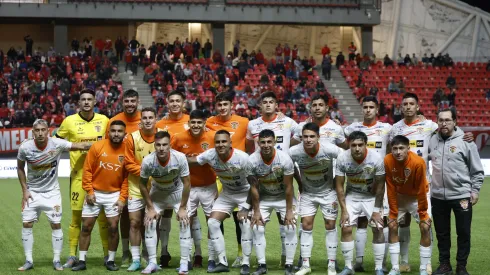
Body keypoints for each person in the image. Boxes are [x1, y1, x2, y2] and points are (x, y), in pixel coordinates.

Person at [16, 119, 92, 271]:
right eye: (37, 130)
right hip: (32, 192)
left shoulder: (56, 143)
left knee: (56, 224)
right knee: (27, 224)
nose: (40, 133)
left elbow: (81, 146)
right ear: (33, 132)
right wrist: (25, 190)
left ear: (48, 131)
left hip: (52, 193)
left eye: (43, 130)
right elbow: (19, 167)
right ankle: (29, 260)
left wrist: (105, 143)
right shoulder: (25, 147)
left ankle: (57, 260)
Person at [55, 89, 110, 268]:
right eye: (83, 99)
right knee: (76, 217)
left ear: (95, 102)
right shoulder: (69, 121)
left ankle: (106, 255)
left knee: (103, 218)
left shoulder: (104, 120)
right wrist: (76, 146)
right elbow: (55, 143)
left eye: (89, 99)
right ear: (78, 103)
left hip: (102, 176)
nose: (86, 102)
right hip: (78, 177)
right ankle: (72, 255)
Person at [187, 130, 254, 274]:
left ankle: (246, 263)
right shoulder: (210, 154)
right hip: (227, 194)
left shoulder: (243, 158)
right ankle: (222, 262)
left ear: (230, 143)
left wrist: (246, 208)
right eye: (217, 142)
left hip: (244, 193)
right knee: (212, 222)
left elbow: (254, 185)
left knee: (245, 223)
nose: (220, 144)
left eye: (224, 141)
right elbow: (193, 161)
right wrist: (172, 158)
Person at [429, 109, 484, 275]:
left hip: (461, 196)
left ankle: (461, 265)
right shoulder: (432, 140)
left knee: (464, 232)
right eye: (441, 120)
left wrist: (475, 190)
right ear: (437, 122)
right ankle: (445, 264)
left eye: (447, 120)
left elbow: (477, 170)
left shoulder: (466, 141)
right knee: (442, 233)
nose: (444, 123)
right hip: (438, 196)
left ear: (455, 122)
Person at [71, 121, 129, 271]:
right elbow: (87, 170)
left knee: (114, 228)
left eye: (119, 131)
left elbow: (126, 178)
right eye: (113, 131)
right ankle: (82, 261)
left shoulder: (128, 149)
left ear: (124, 133)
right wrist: (89, 191)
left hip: (114, 195)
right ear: (108, 132)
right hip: (95, 193)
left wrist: (122, 198)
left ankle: (110, 260)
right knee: (86, 227)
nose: (116, 134)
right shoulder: (97, 146)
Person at [343, 96, 393, 272]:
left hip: (378, 183)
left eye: (371, 107)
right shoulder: (352, 129)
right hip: (356, 185)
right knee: (360, 224)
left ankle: (383, 264)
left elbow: (400, 141)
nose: (368, 110)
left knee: (380, 223)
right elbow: (336, 136)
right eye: (365, 107)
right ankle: (358, 261)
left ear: (377, 109)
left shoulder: (387, 128)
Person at [290, 122, 343, 275]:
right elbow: (287, 165)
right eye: (305, 136)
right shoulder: (294, 151)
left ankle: (331, 264)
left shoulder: (329, 149)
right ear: (301, 137)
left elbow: (346, 158)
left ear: (318, 137)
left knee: (330, 225)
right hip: (308, 193)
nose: (308, 139)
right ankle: (305, 265)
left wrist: (337, 179)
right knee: (306, 225)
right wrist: (299, 182)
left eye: (312, 136)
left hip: (328, 193)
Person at [206, 92, 250, 269]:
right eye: (219, 105)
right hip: (217, 174)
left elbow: (253, 141)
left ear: (232, 105)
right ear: (215, 106)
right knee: (216, 217)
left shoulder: (244, 122)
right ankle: (218, 255)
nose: (222, 107)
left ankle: (240, 254)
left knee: (240, 218)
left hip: (239, 175)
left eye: (225, 104)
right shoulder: (209, 122)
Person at [139, 131, 192, 274]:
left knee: (184, 221)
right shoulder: (148, 161)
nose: (161, 148)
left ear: (170, 146)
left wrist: (182, 207)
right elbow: (142, 185)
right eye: (158, 145)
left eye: (164, 145)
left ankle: (184, 263)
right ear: (154, 146)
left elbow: (187, 183)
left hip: (177, 193)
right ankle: (152, 263)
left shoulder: (180, 158)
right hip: (158, 193)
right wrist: (150, 208)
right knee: (149, 221)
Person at [171, 110, 217, 269]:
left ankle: (211, 259)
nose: (196, 125)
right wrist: (199, 160)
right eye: (193, 122)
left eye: (199, 122)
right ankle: (187, 259)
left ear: (204, 124)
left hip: (209, 186)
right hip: (187, 187)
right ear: (189, 123)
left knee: (212, 222)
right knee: (186, 222)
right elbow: (172, 158)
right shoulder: (178, 138)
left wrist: (189, 160)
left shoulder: (212, 137)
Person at [335, 131, 386, 275]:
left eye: (360, 145)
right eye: (353, 145)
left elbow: (381, 186)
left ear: (366, 145)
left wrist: (376, 210)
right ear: (349, 145)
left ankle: (378, 268)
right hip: (352, 195)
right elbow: (339, 186)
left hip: (371, 197)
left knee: (378, 227)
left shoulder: (376, 158)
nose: (357, 148)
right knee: (345, 226)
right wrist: (344, 210)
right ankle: (348, 267)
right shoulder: (342, 158)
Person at [248, 129, 297, 275]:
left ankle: (289, 265)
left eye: (269, 141)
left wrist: (289, 211)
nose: (266, 145)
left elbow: (289, 187)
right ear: (258, 143)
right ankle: (262, 265)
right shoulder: (252, 160)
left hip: (284, 197)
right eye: (262, 142)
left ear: (275, 142)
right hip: (265, 198)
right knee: (257, 227)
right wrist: (256, 211)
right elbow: (254, 188)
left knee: (290, 226)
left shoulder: (284, 159)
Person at [384, 135, 432, 275]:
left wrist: (423, 213)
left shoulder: (418, 162)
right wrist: (393, 212)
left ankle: (423, 268)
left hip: (417, 197)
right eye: (395, 149)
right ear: (391, 149)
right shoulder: (387, 160)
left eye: (401, 148)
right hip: (399, 196)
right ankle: (395, 268)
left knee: (424, 226)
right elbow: (390, 187)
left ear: (408, 148)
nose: (398, 152)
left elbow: (422, 189)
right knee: (392, 225)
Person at [105, 89, 141, 267]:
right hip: (120, 174)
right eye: (126, 101)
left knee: (141, 217)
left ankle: (147, 253)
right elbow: (108, 145)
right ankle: (126, 251)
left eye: (132, 101)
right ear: (122, 102)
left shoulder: (144, 119)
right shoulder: (114, 120)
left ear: (137, 101)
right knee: (125, 216)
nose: (129, 104)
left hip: (140, 175)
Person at [124, 107, 160, 272]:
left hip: (157, 188)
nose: (147, 120)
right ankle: (136, 259)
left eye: (150, 117)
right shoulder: (132, 138)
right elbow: (128, 163)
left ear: (155, 119)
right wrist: (146, 172)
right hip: (136, 187)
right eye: (144, 118)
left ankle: (151, 258)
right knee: (134, 223)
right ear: (140, 121)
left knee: (152, 224)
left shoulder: (163, 136)